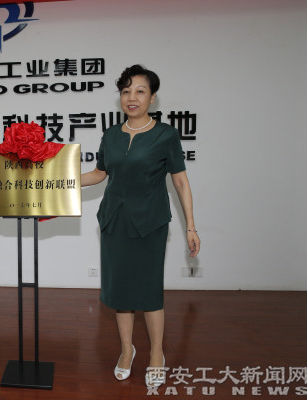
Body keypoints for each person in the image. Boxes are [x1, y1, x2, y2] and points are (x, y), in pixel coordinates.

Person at [81, 64, 200, 389]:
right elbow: (99, 173)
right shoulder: (111, 135)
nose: (131, 97)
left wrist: (191, 226)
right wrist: (62, 181)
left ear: (152, 97)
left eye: (139, 91)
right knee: (120, 292)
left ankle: (157, 353)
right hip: (114, 222)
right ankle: (126, 350)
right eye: (126, 91)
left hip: (150, 223)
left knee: (149, 292)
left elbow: (180, 181)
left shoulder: (166, 135)